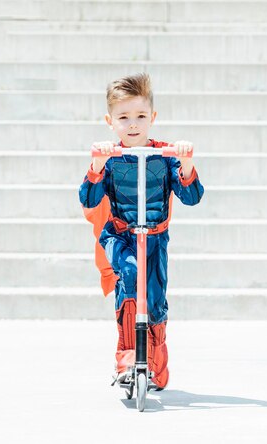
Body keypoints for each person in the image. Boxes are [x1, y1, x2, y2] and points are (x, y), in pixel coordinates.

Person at [79, 73, 204, 390]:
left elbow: (191, 197)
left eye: (140, 116)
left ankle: (156, 368)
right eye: (123, 117)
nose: (132, 124)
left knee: (156, 301)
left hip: (154, 237)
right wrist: (96, 166)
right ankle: (127, 362)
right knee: (130, 276)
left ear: (152, 118)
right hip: (120, 235)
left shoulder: (165, 156)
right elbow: (89, 198)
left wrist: (186, 163)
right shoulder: (110, 157)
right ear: (110, 121)